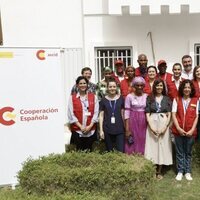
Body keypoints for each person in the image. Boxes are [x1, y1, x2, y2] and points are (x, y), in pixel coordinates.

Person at [145, 79, 172, 179]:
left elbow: (169, 114)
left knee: (161, 146)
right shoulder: (149, 97)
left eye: (161, 85)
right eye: (157, 85)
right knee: (152, 147)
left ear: (163, 87)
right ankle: (152, 170)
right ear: (154, 87)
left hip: (163, 123)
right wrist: (151, 127)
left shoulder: (167, 99)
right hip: (152, 122)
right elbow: (147, 113)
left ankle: (159, 171)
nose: (159, 87)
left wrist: (165, 127)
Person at [172, 80, 199, 181]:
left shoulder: (196, 100)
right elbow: (173, 114)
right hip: (178, 131)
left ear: (191, 89)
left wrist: (192, 129)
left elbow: (197, 116)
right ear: (182, 89)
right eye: (185, 87)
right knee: (179, 152)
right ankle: (180, 171)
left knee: (188, 152)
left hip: (190, 132)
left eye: (188, 87)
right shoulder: (177, 99)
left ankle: (187, 171)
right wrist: (178, 128)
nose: (187, 89)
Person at [68, 76, 99, 151]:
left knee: (90, 152)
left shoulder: (93, 97)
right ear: (77, 85)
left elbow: (96, 112)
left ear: (87, 84)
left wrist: (90, 126)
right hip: (78, 130)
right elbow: (71, 114)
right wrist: (81, 126)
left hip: (91, 130)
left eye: (84, 83)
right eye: (80, 83)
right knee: (79, 152)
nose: (82, 85)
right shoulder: (72, 98)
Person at [99, 78, 125, 152]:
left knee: (120, 151)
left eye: (114, 86)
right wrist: (101, 130)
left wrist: (126, 127)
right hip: (107, 129)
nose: (112, 88)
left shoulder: (121, 99)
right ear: (107, 88)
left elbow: (123, 113)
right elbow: (101, 115)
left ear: (116, 87)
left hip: (119, 129)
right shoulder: (103, 100)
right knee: (109, 151)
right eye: (110, 87)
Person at [124, 77, 147, 155]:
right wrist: (127, 129)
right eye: (137, 85)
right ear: (134, 86)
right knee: (132, 139)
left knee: (143, 139)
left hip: (144, 121)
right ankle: (132, 160)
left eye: (141, 85)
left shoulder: (147, 96)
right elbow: (126, 113)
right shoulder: (129, 97)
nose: (139, 87)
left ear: (144, 86)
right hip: (132, 121)